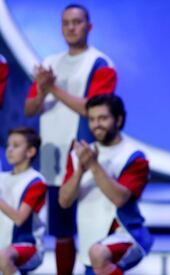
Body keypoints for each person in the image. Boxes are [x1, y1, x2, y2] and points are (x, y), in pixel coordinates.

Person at [24, 4, 117, 274]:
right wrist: (42, 90)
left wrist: (52, 86)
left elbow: (92, 108)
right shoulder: (50, 63)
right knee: (61, 229)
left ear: (89, 27)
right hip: (52, 155)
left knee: (91, 226)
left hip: (85, 153)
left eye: (77, 22)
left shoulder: (99, 63)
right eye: (66, 23)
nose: (71, 27)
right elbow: (30, 108)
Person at [58, 94, 153, 275]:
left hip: (126, 235)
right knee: (95, 254)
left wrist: (94, 165)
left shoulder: (134, 156)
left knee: (99, 254)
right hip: (89, 242)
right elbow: (64, 201)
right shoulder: (79, 154)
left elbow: (120, 198)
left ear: (118, 119)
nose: (96, 124)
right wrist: (80, 170)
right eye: (92, 119)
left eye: (103, 118)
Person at [0, 127, 47, 275]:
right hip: (3, 244)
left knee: (3, 256)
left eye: (16, 145)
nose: (10, 150)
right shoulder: (3, 177)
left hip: (28, 245)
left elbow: (20, 219)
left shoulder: (36, 181)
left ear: (30, 152)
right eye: (8, 145)